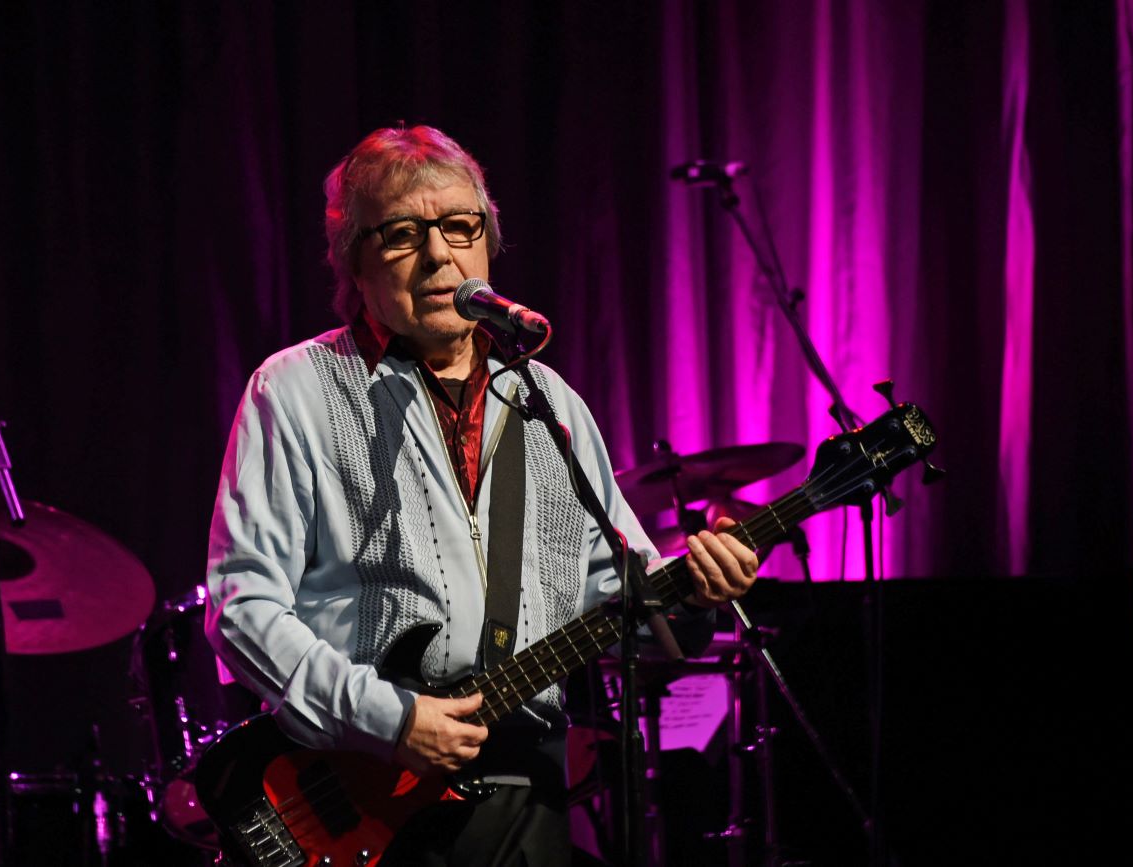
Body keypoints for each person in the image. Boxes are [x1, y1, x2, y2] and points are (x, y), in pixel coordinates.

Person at [204, 125, 761, 865]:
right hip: (366, 800)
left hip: (530, 796)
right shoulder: (296, 390)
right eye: (403, 234)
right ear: (353, 260)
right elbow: (242, 608)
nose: (439, 254)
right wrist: (390, 718)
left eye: (460, 226)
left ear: (487, 243)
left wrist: (695, 593)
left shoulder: (548, 403)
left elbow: (623, 600)